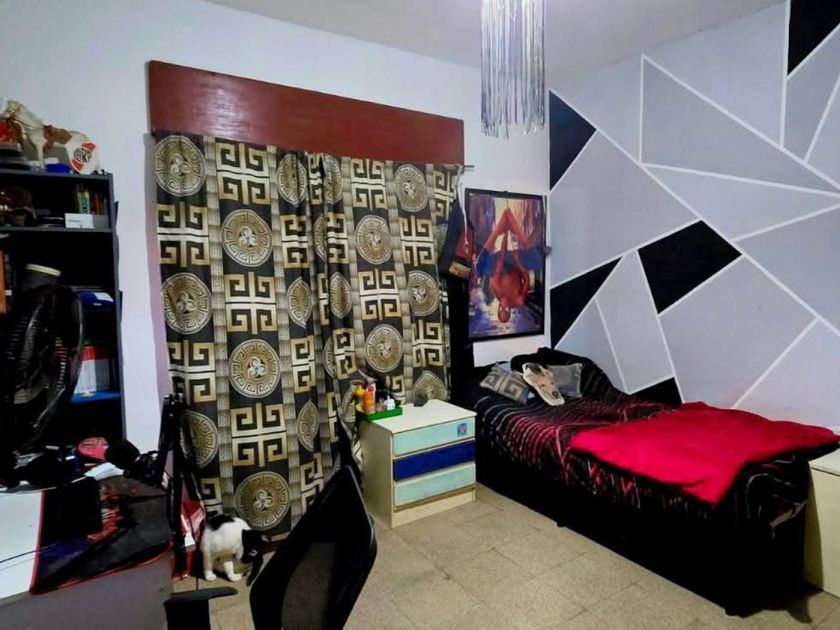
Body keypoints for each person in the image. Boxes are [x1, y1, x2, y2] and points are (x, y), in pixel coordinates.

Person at [475, 205, 541, 323]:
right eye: (506, 310)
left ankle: (497, 231)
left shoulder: (495, 287)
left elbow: (500, 259)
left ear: (498, 307)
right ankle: (513, 226)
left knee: (479, 268)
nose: (503, 306)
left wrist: (505, 233)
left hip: (503, 260)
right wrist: (517, 260)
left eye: (500, 309)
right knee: (537, 260)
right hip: (517, 264)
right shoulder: (518, 300)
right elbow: (526, 279)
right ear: (509, 310)